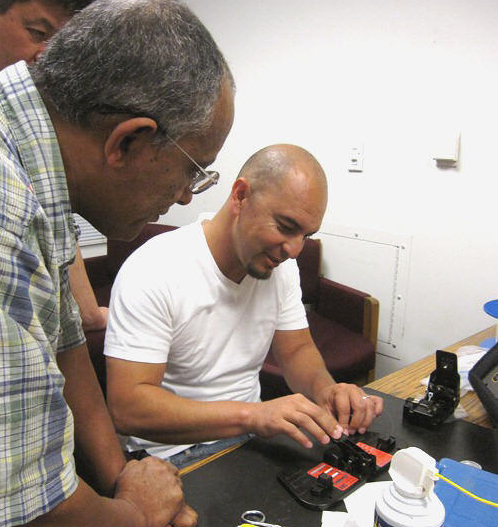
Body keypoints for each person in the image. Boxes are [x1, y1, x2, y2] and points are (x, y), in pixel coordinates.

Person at [0, 0, 234, 527]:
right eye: (193, 170)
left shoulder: (31, 163)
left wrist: (125, 482)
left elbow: (67, 343)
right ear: (128, 141)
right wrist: (138, 515)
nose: (186, 196)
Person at [104, 144, 383, 465]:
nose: (294, 250)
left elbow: (296, 352)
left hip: (249, 438)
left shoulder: (282, 268)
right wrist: (252, 416)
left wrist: (327, 391)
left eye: (305, 235)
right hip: (170, 452)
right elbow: (128, 408)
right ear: (240, 196)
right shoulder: (155, 268)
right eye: (286, 227)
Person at [0, 0, 107, 334]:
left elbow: (51, 211)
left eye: (61, 45)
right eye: (37, 32)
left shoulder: (23, 111)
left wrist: (90, 314)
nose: (48, 59)